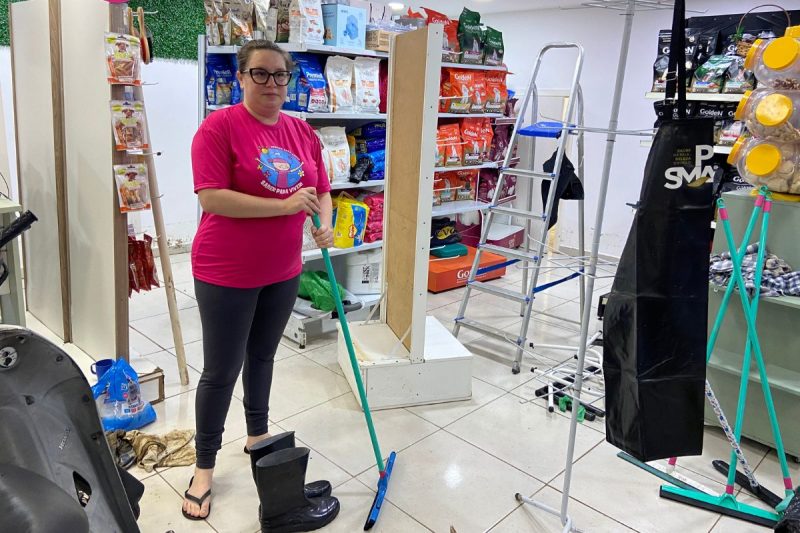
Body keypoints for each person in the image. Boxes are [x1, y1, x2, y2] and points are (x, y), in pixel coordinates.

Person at [184, 40, 333, 520]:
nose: (271, 84)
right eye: (260, 73)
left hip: (283, 268)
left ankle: (256, 435)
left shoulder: (300, 131)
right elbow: (212, 198)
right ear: (242, 77)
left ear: (290, 80)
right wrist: (285, 206)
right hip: (226, 270)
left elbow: (321, 188)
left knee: (263, 356)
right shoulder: (219, 127)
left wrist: (323, 221)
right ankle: (203, 468)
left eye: (280, 75)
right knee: (221, 371)